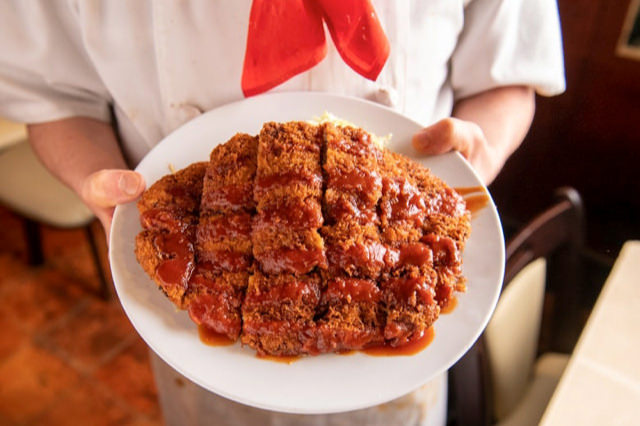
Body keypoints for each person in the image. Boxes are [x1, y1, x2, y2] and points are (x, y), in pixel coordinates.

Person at [0, 1, 565, 425]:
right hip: (192, 339)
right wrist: (97, 179)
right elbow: (53, 99)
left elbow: (509, 74)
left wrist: (480, 152)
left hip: (398, 357)